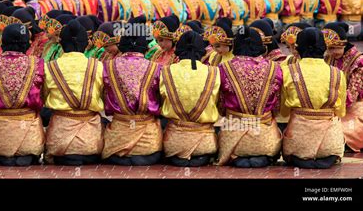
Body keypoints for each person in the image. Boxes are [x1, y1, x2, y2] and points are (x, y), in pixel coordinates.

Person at [281, 27, 347, 168]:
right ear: (324, 48)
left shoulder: (288, 72)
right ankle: (325, 155)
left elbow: (284, 112)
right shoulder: (337, 74)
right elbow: (341, 112)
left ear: (297, 49)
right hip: (330, 145)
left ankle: (302, 157)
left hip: (298, 144)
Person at [217, 26, 283, 167]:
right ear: (260, 45)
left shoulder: (224, 68)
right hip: (265, 138)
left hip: (233, 136)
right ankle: (262, 156)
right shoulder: (275, 68)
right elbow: (277, 106)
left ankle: (238, 156)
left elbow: (221, 105)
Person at [102, 16, 162, 165]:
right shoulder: (156, 68)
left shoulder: (107, 66)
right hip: (149, 146)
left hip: (116, 144)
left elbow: (102, 96)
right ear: (145, 46)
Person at [43, 19, 104, 165]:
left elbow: (43, 98)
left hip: (59, 144)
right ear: (86, 44)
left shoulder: (49, 67)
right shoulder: (98, 66)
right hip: (92, 145)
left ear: (61, 44)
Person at [0, 23, 45, 166]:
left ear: (2, 42)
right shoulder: (38, 64)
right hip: (30, 138)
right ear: (27, 44)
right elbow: (44, 96)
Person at [161, 31, 220, 167]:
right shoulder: (214, 73)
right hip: (205, 145)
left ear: (179, 49)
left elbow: (160, 102)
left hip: (174, 144)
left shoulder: (166, 71)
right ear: (201, 51)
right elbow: (219, 104)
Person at [322, 22, 363, 152]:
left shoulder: (359, 62)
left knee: (336, 133)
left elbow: (351, 95)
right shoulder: (329, 57)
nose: (331, 53)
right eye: (328, 49)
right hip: (332, 106)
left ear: (343, 44)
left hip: (354, 108)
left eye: (334, 48)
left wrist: (328, 107)